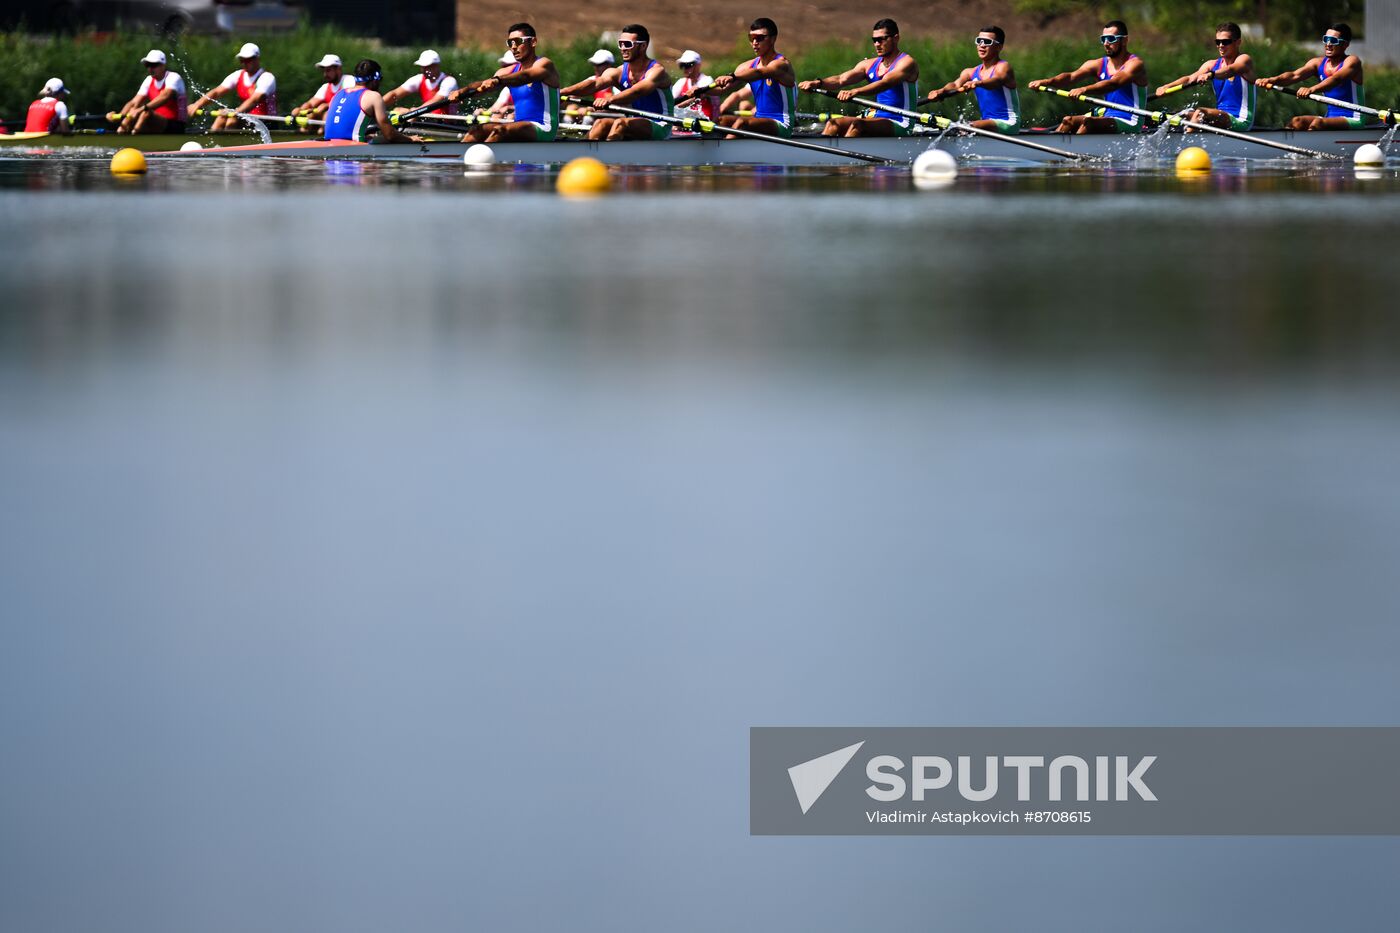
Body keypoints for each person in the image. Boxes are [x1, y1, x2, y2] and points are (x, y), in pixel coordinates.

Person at [798, 19, 919, 137]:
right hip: (876, 118)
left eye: (881, 39)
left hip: (901, 122)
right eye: (874, 40)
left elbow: (885, 83)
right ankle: (824, 156)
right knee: (833, 124)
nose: (877, 44)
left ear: (896, 38)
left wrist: (855, 91)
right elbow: (841, 79)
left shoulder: (907, 63)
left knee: (858, 125)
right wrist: (817, 83)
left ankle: (845, 155)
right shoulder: (868, 65)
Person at [1027, 21, 1148, 133]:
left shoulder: (1135, 64)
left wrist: (1084, 90)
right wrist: (1047, 82)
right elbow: (1070, 77)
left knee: (1089, 122)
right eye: (1103, 39)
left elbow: (1113, 83)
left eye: (1111, 39)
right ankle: (1052, 151)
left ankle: (1073, 153)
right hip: (1107, 117)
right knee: (1068, 120)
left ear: (1124, 40)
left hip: (1130, 121)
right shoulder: (1097, 64)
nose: (1106, 43)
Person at [561, 24, 673, 141]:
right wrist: (564, 91)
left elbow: (637, 91)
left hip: (660, 124)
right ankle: (581, 156)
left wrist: (609, 100)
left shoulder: (656, 71)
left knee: (620, 124)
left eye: (628, 44)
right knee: (600, 123)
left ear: (643, 46)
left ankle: (612, 158)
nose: (623, 48)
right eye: (621, 44)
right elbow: (595, 84)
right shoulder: (618, 72)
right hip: (633, 122)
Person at [453, 23, 561, 143]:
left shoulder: (545, 65)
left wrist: (498, 80)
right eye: (510, 43)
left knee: (500, 130)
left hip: (544, 129)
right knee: (477, 130)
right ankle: (457, 159)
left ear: (533, 42)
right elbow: (482, 86)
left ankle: (483, 158)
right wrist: (462, 92)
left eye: (518, 41)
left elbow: (526, 76)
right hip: (519, 127)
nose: (513, 47)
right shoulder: (507, 71)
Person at [1257, 23, 1365, 130]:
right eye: (1326, 39)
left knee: (1318, 123)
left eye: (1333, 41)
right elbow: (1294, 75)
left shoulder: (1352, 62)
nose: (1328, 44)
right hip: (1330, 117)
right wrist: (1272, 80)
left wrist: (1311, 89)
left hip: (1353, 118)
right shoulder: (1317, 63)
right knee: (1296, 122)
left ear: (1345, 45)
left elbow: (1335, 79)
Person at [1154, 23, 1255, 131]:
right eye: (1218, 42)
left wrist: (1211, 74)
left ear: (1238, 42)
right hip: (1221, 117)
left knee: (1200, 113)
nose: (1221, 45)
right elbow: (1189, 79)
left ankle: (1189, 145)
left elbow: (1231, 70)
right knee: (1182, 114)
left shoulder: (1244, 60)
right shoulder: (1211, 64)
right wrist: (1167, 87)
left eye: (1226, 42)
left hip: (1240, 120)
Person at [925, 26, 1021, 134]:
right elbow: (955, 85)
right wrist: (940, 91)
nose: (982, 45)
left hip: (1008, 123)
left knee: (965, 127)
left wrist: (978, 83)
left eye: (987, 42)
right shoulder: (970, 72)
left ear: (999, 47)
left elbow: (996, 81)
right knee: (956, 127)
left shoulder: (1004, 67)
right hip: (987, 123)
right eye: (979, 41)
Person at [711, 18, 798, 137]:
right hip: (759, 120)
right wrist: (700, 91)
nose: (755, 42)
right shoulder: (746, 66)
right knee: (721, 121)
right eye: (751, 38)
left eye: (760, 38)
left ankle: (723, 153)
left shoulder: (781, 64)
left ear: (773, 39)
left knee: (742, 122)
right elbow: (721, 89)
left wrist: (732, 76)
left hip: (781, 124)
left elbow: (760, 73)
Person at [187, 43, 278, 132]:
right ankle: (213, 143)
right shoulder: (238, 75)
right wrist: (197, 104)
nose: (244, 63)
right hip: (248, 120)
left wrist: (236, 112)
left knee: (232, 119)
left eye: (248, 60)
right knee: (221, 117)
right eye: (242, 60)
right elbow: (217, 92)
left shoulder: (267, 77)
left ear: (257, 59)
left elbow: (255, 99)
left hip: (266, 123)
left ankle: (228, 144)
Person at [323, 58, 416, 143]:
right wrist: (410, 139)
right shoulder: (374, 96)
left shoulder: (338, 94)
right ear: (375, 79)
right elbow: (390, 135)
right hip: (352, 150)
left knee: (372, 137)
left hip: (328, 144)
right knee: (387, 139)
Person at [116, 49, 187, 135]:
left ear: (163, 65)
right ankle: (121, 131)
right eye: (147, 65)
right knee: (133, 109)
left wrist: (139, 110)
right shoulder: (149, 80)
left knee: (146, 112)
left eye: (153, 65)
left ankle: (134, 135)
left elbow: (165, 97)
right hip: (157, 126)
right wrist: (119, 116)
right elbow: (134, 102)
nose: (150, 69)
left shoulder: (173, 77)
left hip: (176, 125)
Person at [290, 54, 356, 130]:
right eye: (324, 71)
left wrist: (326, 105)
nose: (325, 74)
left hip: (346, 120)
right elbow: (311, 103)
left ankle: (321, 133)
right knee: (310, 116)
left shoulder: (349, 80)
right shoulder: (326, 86)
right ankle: (305, 133)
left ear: (338, 69)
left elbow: (348, 100)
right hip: (330, 122)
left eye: (328, 70)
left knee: (327, 115)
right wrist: (301, 109)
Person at [383, 50, 458, 116]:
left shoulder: (449, 81)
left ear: (437, 66)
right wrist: (378, 105)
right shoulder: (419, 79)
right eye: (423, 67)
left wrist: (411, 112)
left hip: (447, 126)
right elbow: (395, 94)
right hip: (428, 122)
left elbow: (435, 102)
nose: (424, 70)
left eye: (428, 67)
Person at [673, 50, 718, 120]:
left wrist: (672, 106)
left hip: (707, 123)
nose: (685, 69)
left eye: (688, 65)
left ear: (698, 65)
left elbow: (693, 98)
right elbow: (670, 99)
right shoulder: (681, 82)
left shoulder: (707, 80)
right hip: (689, 122)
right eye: (682, 65)